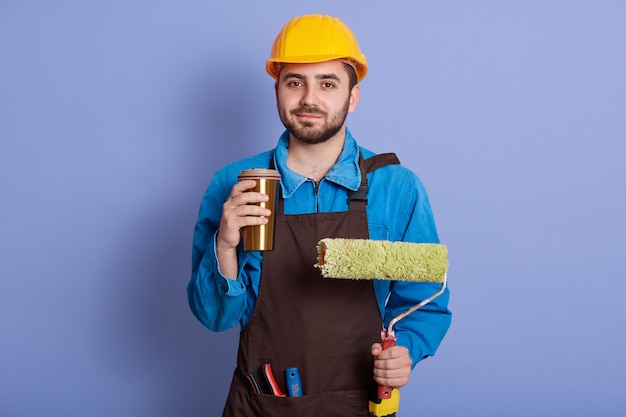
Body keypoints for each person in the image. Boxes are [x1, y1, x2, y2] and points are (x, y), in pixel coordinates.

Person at [187, 13, 451, 417]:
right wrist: (225, 246)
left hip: (359, 404)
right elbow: (215, 318)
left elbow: (427, 303)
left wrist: (407, 352)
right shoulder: (234, 184)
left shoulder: (397, 188)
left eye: (328, 83)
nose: (310, 98)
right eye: (296, 82)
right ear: (277, 90)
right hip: (261, 403)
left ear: (352, 96)